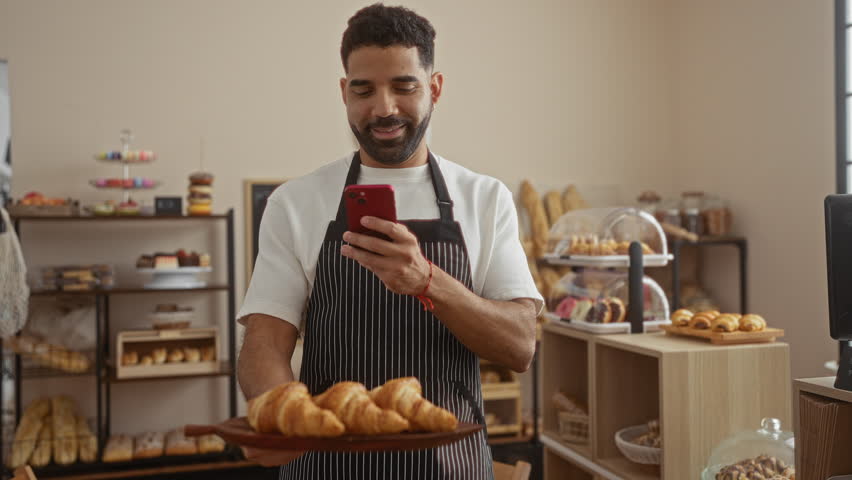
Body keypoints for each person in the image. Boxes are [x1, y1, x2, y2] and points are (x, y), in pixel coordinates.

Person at [236, 3, 542, 478]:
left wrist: (427, 281)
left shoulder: (484, 199)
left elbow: (520, 346)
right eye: (364, 89)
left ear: (434, 88)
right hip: (327, 466)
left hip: (451, 468)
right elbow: (265, 343)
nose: (384, 108)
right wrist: (276, 414)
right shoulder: (295, 203)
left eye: (404, 86)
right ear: (344, 92)